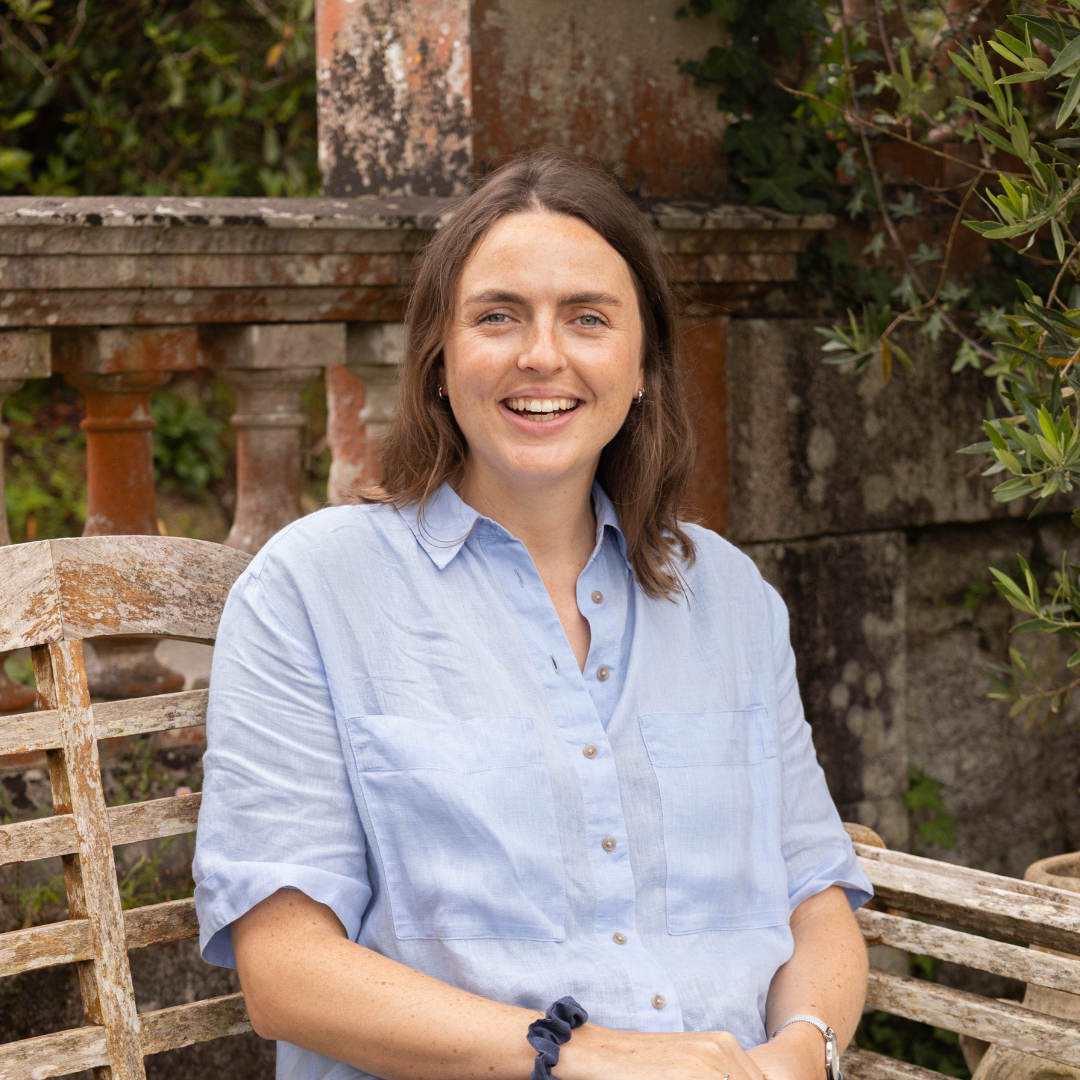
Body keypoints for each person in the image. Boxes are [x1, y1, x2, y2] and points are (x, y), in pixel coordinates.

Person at [193, 153, 873, 1080]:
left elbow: (814, 899)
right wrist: (585, 1056)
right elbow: (285, 974)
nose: (542, 355)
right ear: (439, 361)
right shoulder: (312, 591)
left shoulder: (729, 597)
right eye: (498, 316)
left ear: (642, 367)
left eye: (588, 319)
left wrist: (801, 1056)